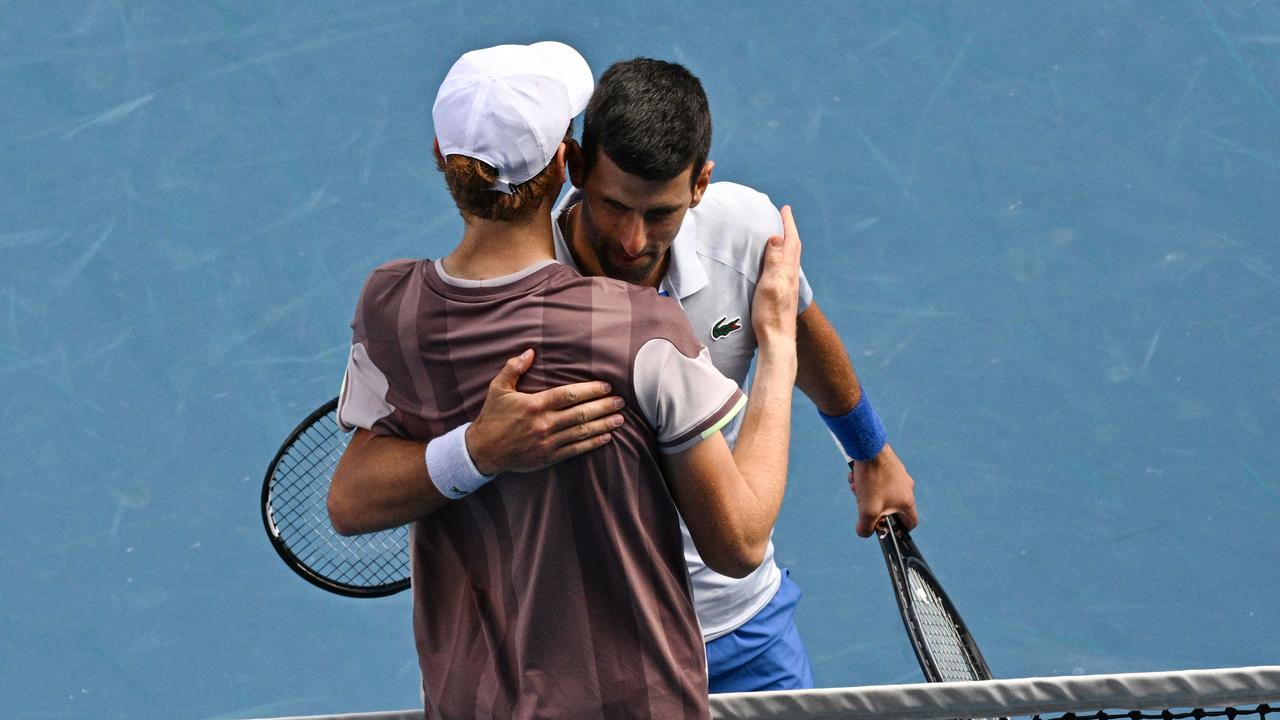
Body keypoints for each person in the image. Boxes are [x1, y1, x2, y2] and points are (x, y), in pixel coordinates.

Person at [327, 42, 804, 719]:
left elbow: (347, 503)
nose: (636, 242)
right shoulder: (638, 327)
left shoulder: (391, 307)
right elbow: (739, 542)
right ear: (564, 164)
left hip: (475, 703)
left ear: (442, 153)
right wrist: (778, 345)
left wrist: (472, 452)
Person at [477, 58, 922, 692]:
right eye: (613, 206)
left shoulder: (745, 233)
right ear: (574, 168)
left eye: (659, 214)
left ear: (699, 185)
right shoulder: (512, 279)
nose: (632, 241)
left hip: (739, 628)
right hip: (586, 651)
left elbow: (802, 332)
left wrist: (871, 451)